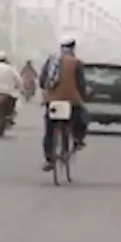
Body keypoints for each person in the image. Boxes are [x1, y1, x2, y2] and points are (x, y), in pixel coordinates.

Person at [39, 36, 89, 171]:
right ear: (73, 48)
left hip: (52, 101)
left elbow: (42, 81)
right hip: (70, 101)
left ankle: (49, 158)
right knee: (82, 115)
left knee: (49, 128)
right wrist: (84, 97)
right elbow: (81, 85)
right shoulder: (76, 63)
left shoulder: (51, 61)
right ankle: (78, 139)